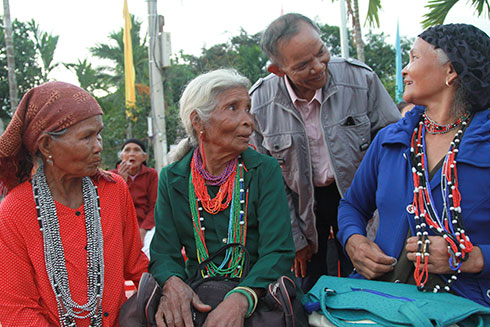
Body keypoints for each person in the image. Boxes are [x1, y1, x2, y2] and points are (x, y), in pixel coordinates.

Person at [337, 24, 490, 307]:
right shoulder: (390, 140)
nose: (405, 70)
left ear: (451, 71)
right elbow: (352, 206)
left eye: (414, 58)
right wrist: (354, 242)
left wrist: (473, 258)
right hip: (381, 302)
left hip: (465, 307)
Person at [249, 13, 401, 292]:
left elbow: (394, 152)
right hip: (301, 203)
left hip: (361, 197)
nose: (319, 67)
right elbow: (269, 182)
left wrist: (384, 220)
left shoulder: (360, 79)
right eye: (303, 65)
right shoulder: (259, 102)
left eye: (321, 52)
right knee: (310, 285)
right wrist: (294, 239)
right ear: (278, 70)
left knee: (372, 279)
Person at [149, 69, 298, 326]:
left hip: (256, 293)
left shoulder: (263, 170)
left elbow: (278, 251)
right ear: (198, 122)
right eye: (233, 108)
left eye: (248, 109)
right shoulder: (172, 178)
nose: (248, 121)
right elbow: (163, 252)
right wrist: (173, 284)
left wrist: (240, 300)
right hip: (196, 293)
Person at [0, 81, 149, 326]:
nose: (98, 146)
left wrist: (169, 287)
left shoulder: (113, 190)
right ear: (47, 145)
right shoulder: (16, 210)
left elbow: (136, 266)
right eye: (87, 137)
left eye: (99, 134)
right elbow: (17, 308)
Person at [111, 138, 158, 244]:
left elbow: (155, 206)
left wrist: (143, 230)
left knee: (150, 248)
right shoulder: (112, 176)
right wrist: (121, 181)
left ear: (144, 157)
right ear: (121, 156)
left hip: (146, 225)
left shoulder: (151, 175)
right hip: (120, 226)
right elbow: (112, 207)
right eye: (127, 150)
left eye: (136, 150)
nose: (131, 154)